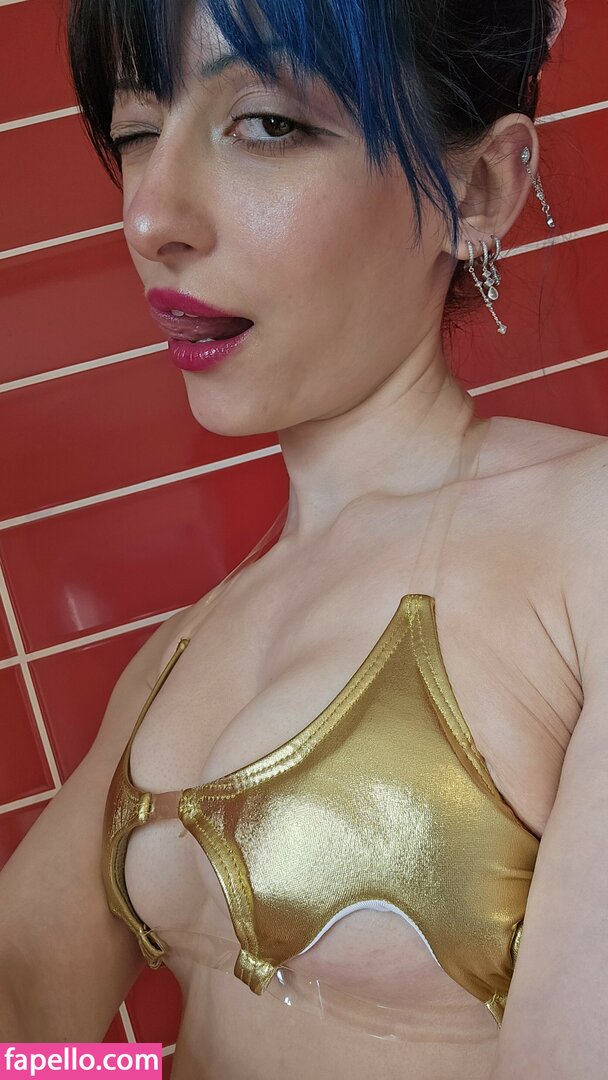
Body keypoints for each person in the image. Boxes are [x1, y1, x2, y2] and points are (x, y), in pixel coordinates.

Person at [1, 1, 607, 1077]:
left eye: (268, 125)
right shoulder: (174, 659)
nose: (150, 217)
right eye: (137, 130)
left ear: (475, 189)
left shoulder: (584, 544)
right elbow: (24, 1012)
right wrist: (124, 1074)